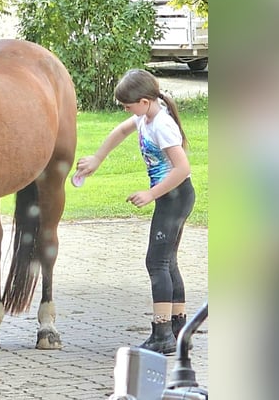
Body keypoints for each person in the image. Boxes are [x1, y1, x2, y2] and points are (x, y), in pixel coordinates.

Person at [74, 69, 195, 355]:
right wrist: (97, 159)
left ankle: (163, 333)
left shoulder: (162, 125)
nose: (126, 111)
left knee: (156, 263)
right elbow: (120, 130)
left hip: (175, 197)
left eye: (128, 105)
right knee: (167, 262)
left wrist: (151, 193)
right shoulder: (147, 115)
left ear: (143, 100)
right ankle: (179, 328)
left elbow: (183, 168)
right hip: (171, 197)